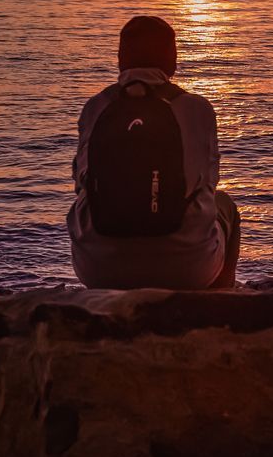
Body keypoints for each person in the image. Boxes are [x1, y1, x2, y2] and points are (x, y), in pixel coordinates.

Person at [67, 16, 240, 289]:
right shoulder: (198, 109)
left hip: (98, 270)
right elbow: (208, 183)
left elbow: (81, 185)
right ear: (173, 61)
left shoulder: (96, 107)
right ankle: (221, 303)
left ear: (120, 59)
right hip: (187, 270)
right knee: (224, 204)